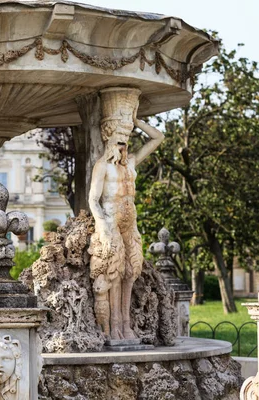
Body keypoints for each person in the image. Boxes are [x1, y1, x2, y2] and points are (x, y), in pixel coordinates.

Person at [88, 87, 164, 341]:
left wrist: (137, 121)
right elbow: (93, 199)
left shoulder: (130, 163)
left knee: (132, 272)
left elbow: (157, 139)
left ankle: (126, 324)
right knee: (114, 275)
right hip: (110, 223)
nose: (123, 145)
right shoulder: (102, 166)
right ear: (109, 139)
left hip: (130, 224)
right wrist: (102, 226)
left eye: (126, 140)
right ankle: (112, 329)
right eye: (119, 140)